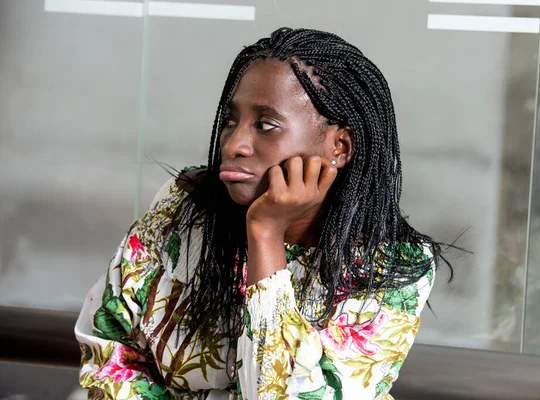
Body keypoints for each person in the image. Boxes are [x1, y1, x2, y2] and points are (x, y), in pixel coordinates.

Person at [75, 27, 448, 400]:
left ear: (339, 146)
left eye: (266, 125)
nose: (234, 143)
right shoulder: (184, 208)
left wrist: (266, 233)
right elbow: (110, 350)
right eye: (230, 121)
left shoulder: (391, 266)